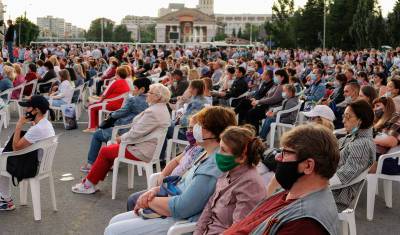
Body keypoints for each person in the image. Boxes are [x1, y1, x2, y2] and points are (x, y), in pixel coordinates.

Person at [105, 106, 237, 235]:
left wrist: (150, 201)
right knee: (114, 221)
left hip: (182, 221)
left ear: (211, 132)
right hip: (172, 209)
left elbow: (183, 207)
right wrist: (156, 191)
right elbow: (182, 182)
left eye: (199, 125)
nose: (194, 128)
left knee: (113, 230)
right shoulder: (204, 152)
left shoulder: (212, 166)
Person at [224, 124, 340, 234]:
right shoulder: (290, 193)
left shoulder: (304, 224)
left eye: (285, 153)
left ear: (308, 165)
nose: (277, 157)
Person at [72, 83, 171, 194]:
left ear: (158, 97)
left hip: (142, 150)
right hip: (147, 148)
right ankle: (91, 182)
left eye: (150, 92)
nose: (147, 94)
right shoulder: (162, 109)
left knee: (105, 151)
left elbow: (136, 133)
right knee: (109, 152)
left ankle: (88, 184)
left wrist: (121, 139)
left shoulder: (153, 112)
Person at [194, 125, 266, 235]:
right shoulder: (228, 171)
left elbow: (239, 230)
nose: (218, 154)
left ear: (241, 157)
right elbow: (209, 207)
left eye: (223, 150)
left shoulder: (250, 184)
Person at [126, 117, 204, 211]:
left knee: (133, 199)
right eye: (188, 128)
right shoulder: (191, 147)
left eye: (192, 129)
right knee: (134, 199)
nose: (188, 131)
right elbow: (175, 161)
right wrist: (163, 174)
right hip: (170, 186)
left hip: (175, 190)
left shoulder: (201, 151)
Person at [80, 77, 151, 173]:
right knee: (107, 133)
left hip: (124, 132)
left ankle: (90, 164)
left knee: (97, 134)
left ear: (142, 89)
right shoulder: (152, 102)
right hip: (142, 134)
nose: (133, 90)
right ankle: (109, 162)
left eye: (135, 88)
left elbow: (119, 113)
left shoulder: (134, 100)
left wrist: (110, 115)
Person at [0, 95, 55, 211]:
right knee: (2, 153)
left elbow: (16, 148)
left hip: (30, 166)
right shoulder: (46, 124)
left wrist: (19, 125)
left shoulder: (38, 129)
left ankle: (6, 200)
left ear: (36, 110)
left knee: (1, 158)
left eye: (28, 108)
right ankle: (5, 198)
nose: (26, 110)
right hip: (38, 163)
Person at [330, 99, 375, 211]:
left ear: (360, 120)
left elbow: (346, 175)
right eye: (344, 116)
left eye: (348, 117)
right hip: (331, 186)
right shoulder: (353, 136)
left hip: (336, 196)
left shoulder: (362, 143)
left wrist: (316, 183)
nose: (343, 120)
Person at [84, 66, 130, 132]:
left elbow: (104, 95)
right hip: (118, 104)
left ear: (117, 74)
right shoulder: (125, 82)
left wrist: (98, 101)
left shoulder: (115, 82)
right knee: (94, 105)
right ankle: (95, 125)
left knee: (91, 107)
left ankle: (92, 127)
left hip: (110, 104)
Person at [244, 69, 288, 133]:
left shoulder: (282, 87)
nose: (274, 77)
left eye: (276, 76)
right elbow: (267, 96)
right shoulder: (277, 85)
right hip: (266, 105)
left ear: (282, 77)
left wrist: (259, 102)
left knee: (252, 113)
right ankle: (249, 131)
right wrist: (257, 100)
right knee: (249, 110)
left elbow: (273, 99)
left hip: (271, 109)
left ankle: (254, 134)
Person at [370, 97, 400, 174]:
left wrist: (370, 140)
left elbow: (391, 141)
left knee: (361, 163)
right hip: (380, 157)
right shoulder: (381, 122)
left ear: (387, 107)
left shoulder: (396, 119)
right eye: (374, 107)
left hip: (393, 160)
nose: (374, 109)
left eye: (377, 106)